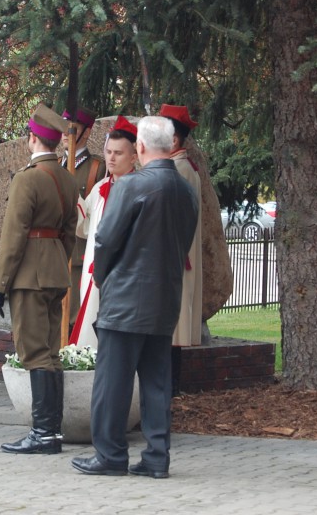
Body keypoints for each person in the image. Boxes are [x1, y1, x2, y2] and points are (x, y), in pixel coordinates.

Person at [71, 116, 198, 479]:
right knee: (157, 383)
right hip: (164, 298)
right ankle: (157, 457)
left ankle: (110, 456)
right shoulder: (186, 189)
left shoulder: (131, 186)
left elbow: (106, 242)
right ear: (172, 144)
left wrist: (107, 278)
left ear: (140, 147)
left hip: (125, 299)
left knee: (112, 381)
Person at [0, 105, 78, 455]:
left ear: (31, 138)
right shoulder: (68, 179)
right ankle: (51, 432)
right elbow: (70, 233)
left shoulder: (27, 178)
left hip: (29, 276)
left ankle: (43, 434)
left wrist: (0, 284)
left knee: (35, 352)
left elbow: (13, 236)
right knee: (50, 352)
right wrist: (56, 260)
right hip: (55, 272)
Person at [69, 116, 138, 350]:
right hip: (93, 274)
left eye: (118, 153)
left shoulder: (140, 190)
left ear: (134, 156)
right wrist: (72, 195)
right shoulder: (100, 188)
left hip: (123, 279)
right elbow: (85, 225)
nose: (111, 157)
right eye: (108, 151)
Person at [159, 104, 204, 394]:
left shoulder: (180, 171)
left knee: (172, 327)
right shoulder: (182, 168)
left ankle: (171, 386)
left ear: (174, 140)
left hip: (174, 260)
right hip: (176, 257)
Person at [60, 107, 106, 328]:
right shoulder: (56, 164)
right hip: (54, 254)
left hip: (78, 255)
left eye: (72, 128)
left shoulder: (96, 167)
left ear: (86, 133)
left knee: (74, 321)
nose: (64, 132)